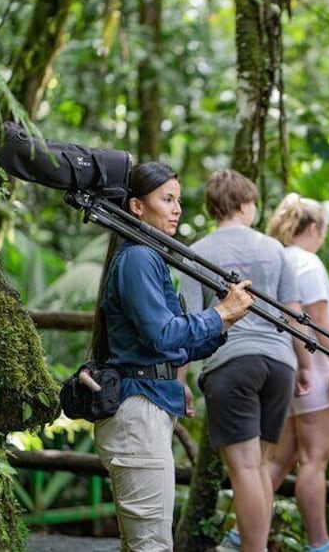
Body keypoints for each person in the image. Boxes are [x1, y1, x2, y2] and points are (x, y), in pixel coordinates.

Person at [88, 162, 254, 552]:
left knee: (143, 545)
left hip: (146, 409)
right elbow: (163, 334)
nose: (177, 209)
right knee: (151, 546)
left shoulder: (147, 257)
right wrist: (219, 314)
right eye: (167, 199)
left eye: (179, 200)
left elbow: (178, 344)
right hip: (137, 413)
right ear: (137, 207)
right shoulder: (138, 259)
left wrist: (224, 319)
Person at [179, 169, 312, 552]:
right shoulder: (274, 248)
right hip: (279, 365)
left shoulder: (198, 252)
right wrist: (303, 365)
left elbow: (188, 324)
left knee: (245, 471)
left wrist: (180, 381)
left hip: (231, 364)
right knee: (258, 467)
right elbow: (294, 313)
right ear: (243, 204)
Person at [263, 192, 329, 552]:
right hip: (316, 371)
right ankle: (319, 544)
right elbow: (319, 322)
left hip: (285, 369)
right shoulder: (309, 262)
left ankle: (242, 533)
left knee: (278, 460)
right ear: (315, 228)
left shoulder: (274, 258)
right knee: (314, 461)